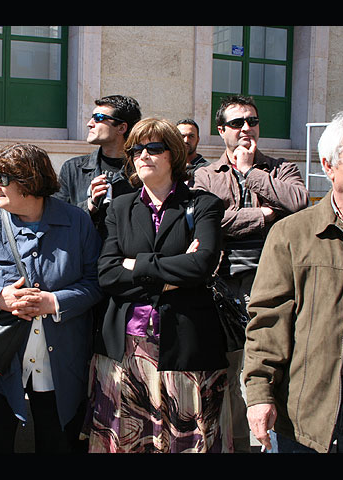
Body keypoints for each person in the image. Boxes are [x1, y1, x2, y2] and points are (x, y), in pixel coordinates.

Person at [81, 117, 231, 453]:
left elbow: (201, 265)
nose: (143, 155)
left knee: (186, 445)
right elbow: (106, 273)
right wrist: (171, 279)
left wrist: (135, 265)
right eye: (136, 149)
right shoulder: (120, 206)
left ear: (173, 155)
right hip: (124, 350)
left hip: (186, 350)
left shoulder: (203, 205)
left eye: (154, 148)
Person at [0, 143, 102, 453]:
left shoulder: (77, 221)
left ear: (29, 181)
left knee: (58, 443)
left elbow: (96, 282)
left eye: (2, 177)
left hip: (62, 360)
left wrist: (54, 302)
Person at [245, 109, 343, 453]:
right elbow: (268, 319)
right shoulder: (294, 233)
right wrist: (259, 395)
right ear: (329, 165)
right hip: (309, 404)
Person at [193, 95, 309, 452]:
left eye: (253, 121)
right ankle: (241, 446)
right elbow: (208, 222)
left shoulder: (280, 168)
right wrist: (264, 217)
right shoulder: (205, 175)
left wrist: (250, 174)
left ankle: (273, 445)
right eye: (237, 123)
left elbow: (299, 203)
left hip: (277, 282)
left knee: (273, 368)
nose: (246, 128)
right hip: (224, 285)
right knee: (232, 373)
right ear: (221, 130)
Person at [54, 95, 142, 234]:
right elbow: (56, 216)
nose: (90, 123)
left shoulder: (141, 170)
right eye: (91, 117)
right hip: (84, 252)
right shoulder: (73, 168)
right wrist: (90, 205)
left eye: (98, 118)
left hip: (125, 253)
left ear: (121, 128)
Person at [176, 118, 210, 186]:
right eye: (182, 136)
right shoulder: (169, 167)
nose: (186, 140)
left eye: (191, 136)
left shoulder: (207, 169)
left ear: (197, 140)